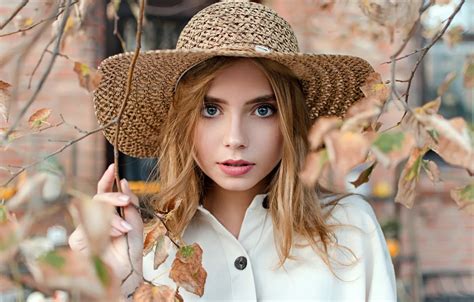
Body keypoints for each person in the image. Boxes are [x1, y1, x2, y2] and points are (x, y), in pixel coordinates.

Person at [69, 1, 397, 301]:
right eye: (211, 110)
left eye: (263, 110)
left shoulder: (349, 228)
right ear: (183, 122)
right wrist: (120, 286)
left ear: (291, 121)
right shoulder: (149, 251)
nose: (235, 139)